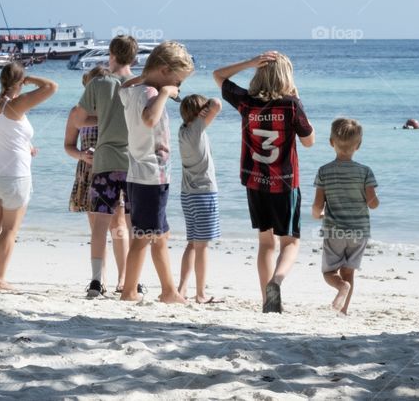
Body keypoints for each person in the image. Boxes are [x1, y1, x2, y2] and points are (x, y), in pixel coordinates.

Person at [213, 52, 315, 313]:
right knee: (290, 242)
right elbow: (309, 140)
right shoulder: (291, 104)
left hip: (255, 181)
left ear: (259, 73)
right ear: (287, 77)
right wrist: (298, 97)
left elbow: (218, 75)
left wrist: (248, 63)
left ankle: (266, 301)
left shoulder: (246, 101)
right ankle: (277, 282)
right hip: (284, 183)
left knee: (265, 242)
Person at [118, 41, 194, 303]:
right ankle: (128, 292)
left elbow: (125, 85)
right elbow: (149, 119)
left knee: (160, 235)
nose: (178, 87)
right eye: (177, 79)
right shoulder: (151, 94)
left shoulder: (135, 89)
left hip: (142, 174)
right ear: (164, 70)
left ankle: (169, 291)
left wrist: (152, 79)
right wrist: (164, 93)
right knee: (142, 237)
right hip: (151, 175)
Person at [0, 62, 57, 290]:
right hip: (14, 176)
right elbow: (52, 86)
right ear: (20, 82)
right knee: (9, 229)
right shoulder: (16, 105)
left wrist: (24, 145)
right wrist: (31, 80)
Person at [72, 35, 138, 298]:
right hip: (135, 162)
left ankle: (97, 282)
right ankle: (132, 281)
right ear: (134, 58)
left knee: (100, 224)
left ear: (111, 53)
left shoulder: (99, 83)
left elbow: (78, 120)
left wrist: (105, 114)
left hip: (105, 161)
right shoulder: (142, 85)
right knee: (133, 225)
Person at [64, 66, 128, 294]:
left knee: (118, 226)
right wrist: (82, 155)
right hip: (89, 171)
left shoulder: (113, 109)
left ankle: (124, 278)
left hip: (112, 166)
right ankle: (100, 280)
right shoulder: (77, 113)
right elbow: (68, 146)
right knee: (97, 228)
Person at [311, 118, 379, 315]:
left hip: (334, 231)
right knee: (348, 271)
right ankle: (343, 311)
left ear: (331, 142)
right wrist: (376, 201)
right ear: (358, 145)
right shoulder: (365, 172)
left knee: (329, 272)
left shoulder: (324, 171)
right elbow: (372, 203)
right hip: (359, 231)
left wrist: (318, 214)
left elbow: (317, 205)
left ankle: (341, 288)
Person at [177, 94, 223, 303]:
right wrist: (206, 109)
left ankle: (182, 289)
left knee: (192, 244)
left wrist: (201, 112)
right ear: (198, 114)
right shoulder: (196, 129)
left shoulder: (183, 130)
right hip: (204, 194)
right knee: (202, 245)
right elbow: (217, 104)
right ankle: (201, 294)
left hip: (188, 194)